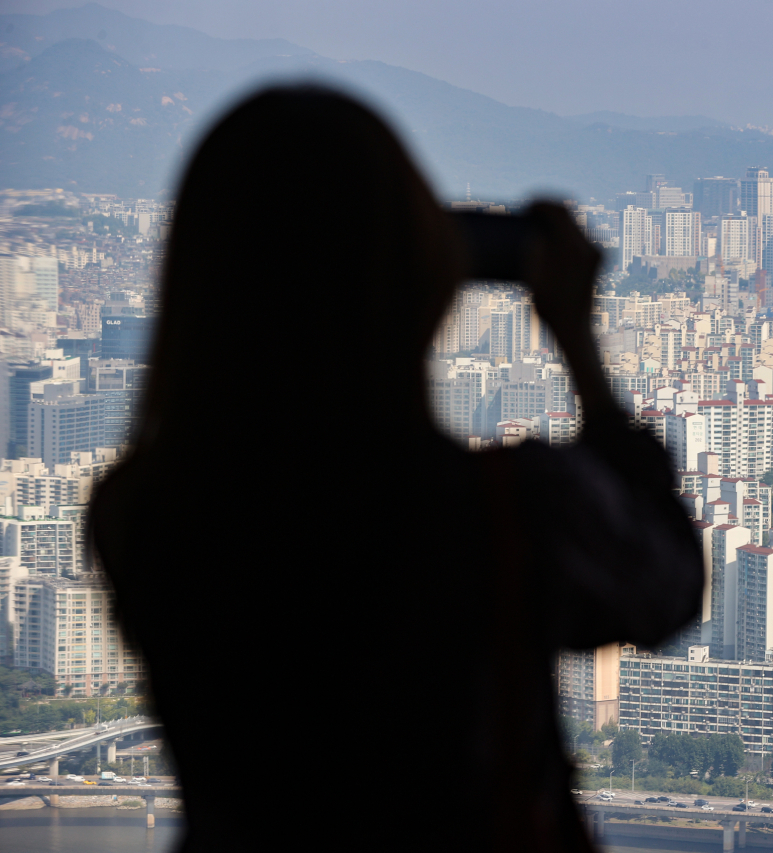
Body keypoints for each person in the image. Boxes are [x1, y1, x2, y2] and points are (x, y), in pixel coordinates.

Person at [90, 86, 703, 852]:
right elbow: (668, 585)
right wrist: (580, 346)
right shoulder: (505, 512)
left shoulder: (141, 514)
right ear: (419, 282)